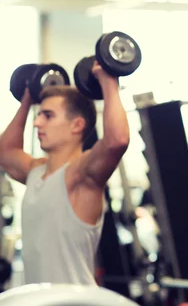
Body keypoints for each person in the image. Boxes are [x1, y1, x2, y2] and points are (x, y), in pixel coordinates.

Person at [0, 61, 130, 285]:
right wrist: (28, 99)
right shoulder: (35, 171)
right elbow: (6, 152)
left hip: (74, 302)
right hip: (40, 301)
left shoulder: (81, 175)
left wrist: (108, 81)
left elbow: (117, 141)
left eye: (48, 116)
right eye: (38, 115)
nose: (37, 123)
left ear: (77, 125)